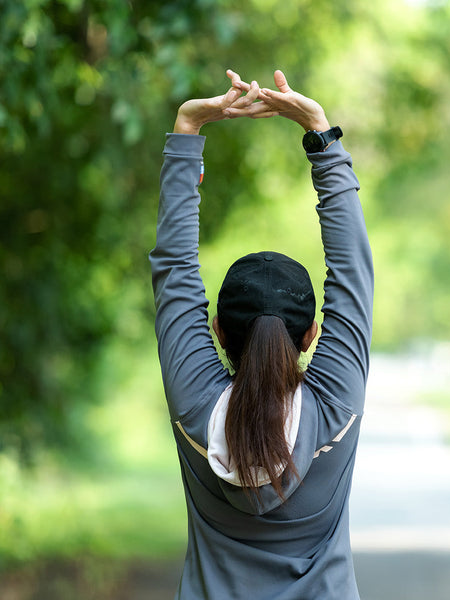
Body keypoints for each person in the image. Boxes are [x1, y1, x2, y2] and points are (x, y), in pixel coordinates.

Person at [149, 68, 373, 599]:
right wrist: (320, 134)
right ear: (312, 333)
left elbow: (174, 268)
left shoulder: (196, 405)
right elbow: (354, 272)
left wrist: (188, 130)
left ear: (217, 330)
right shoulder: (333, 406)